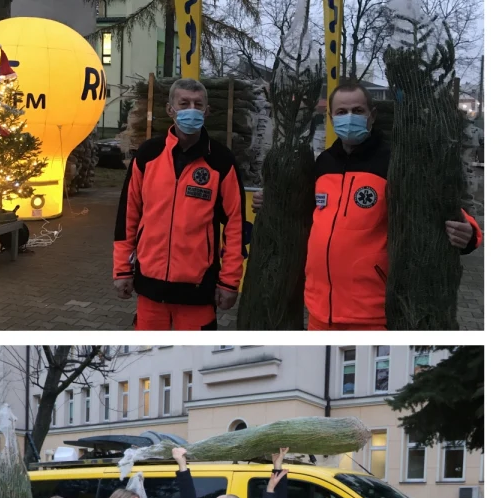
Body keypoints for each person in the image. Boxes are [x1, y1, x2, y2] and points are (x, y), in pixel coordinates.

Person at [253, 80, 482, 330]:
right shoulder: (323, 164)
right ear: (330, 117)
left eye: (358, 111)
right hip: (319, 313)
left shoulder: (395, 164)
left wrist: (470, 233)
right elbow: (301, 211)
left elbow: (436, 204)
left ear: (371, 115)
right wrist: (270, 201)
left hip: (372, 315)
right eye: (341, 112)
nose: (349, 117)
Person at [113, 78, 245, 330]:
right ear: (170, 109)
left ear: (206, 111)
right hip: (150, 290)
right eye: (184, 103)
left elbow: (235, 225)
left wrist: (229, 282)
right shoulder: (148, 155)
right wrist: (122, 270)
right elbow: (128, 216)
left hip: (197, 292)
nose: (191, 110)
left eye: (198, 105)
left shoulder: (220, 161)